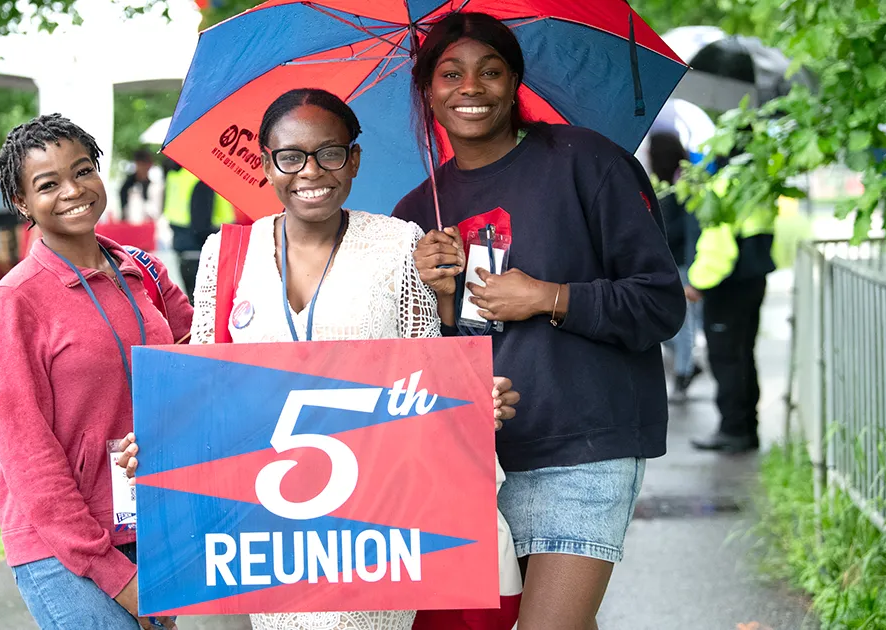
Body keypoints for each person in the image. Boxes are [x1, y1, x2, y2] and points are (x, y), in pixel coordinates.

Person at [115, 88, 520, 630]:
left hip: (374, 525)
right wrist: (165, 442)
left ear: (353, 159)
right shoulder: (226, 252)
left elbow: (425, 372)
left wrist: (471, 400)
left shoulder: (400, 244)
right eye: (291, 156)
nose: (311, 171)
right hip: (274, 531)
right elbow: (207, 383)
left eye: (330, 153)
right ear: (265, 163)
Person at [393, 13, 685, 630]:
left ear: (515, 82)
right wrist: (438, 300)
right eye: (450, 73)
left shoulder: (587, 162)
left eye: (490, 71)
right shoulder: (418, 212)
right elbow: (428, 363)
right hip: (476, 461)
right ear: (427, 90)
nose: (470, 87)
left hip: (584, 444)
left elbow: (661, 303)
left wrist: (547, 297)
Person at [0, 113, 192, 630]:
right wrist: (113, 574)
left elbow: (204, 361)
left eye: (83, 171)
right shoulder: (13, 302)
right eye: (48, 184)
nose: (73, 190)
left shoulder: (144, 272)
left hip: (151, 523)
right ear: (22, 203)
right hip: (62, 544)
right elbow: (27, 453)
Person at [685, 155, 776, 454]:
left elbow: (718, 245)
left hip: (727, 287)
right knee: (743, 355)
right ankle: (747, 428)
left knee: (726, 359)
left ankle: (732, 430)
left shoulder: (726, 185)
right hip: (754, 281)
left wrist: (698, 282)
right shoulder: (759, 183)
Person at [648, 131, 704, 403]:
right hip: (667, 263)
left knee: (681, 324)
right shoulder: (661, 183)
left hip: (681, 263)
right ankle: (687, 366)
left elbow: (692, 229)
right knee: (665, 323)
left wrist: (692, 274)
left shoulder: (684, 184)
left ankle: (683, 374)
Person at [162, 157, 234, 297]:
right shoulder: (202, 179)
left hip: (184, 246)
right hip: (199, 251)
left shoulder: (178, 173)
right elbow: (201, 226)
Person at [119, 148, 155, 222]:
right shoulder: (128, 184)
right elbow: (123, 204)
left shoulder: (153, 185)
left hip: (147, 224)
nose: (144, 168)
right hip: (130, 222)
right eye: (142, 164)